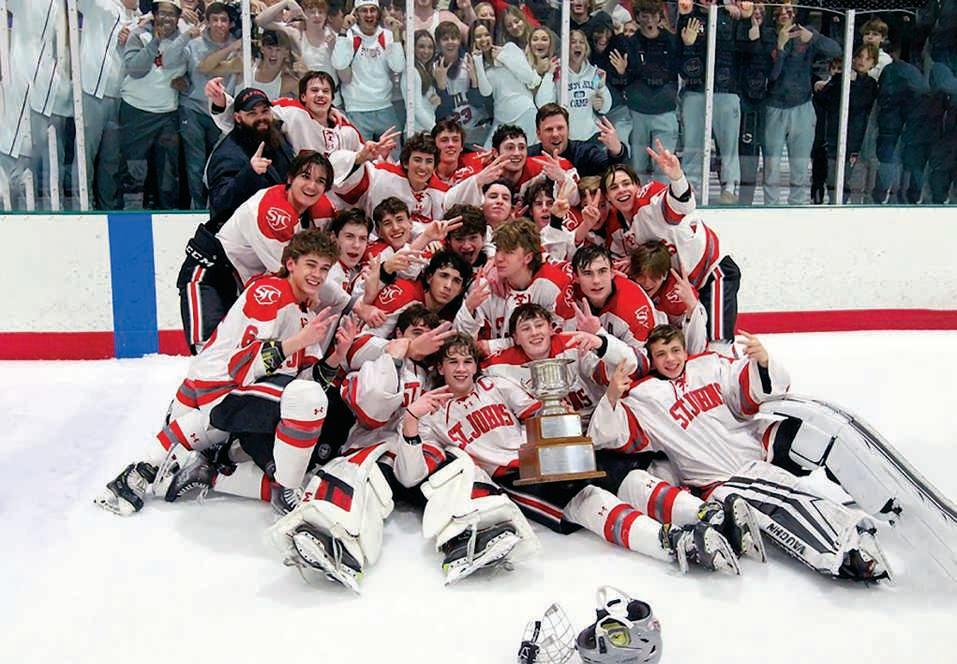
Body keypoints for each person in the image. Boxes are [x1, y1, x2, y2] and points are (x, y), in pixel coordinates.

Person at [405, 333, 745, 574]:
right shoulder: (430, 413)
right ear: (440, 367)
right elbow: (411, 475)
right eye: (453, 362)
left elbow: (537, 413)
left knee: (624, 474)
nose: (461, 368)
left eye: (467, 361)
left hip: (542, 455)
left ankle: (706, 514)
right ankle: (672, 543)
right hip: (514, 477)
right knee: (589, 499)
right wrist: (410, 420)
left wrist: (559, 419)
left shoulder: (494, 384)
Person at [588, 325, 890, 582]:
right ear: (652, 359)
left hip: (751, 456)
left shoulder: (708, 365)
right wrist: (612, 396)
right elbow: (609, 436)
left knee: (796, 489)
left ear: (685, 350)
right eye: (661, 354)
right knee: (778, 507)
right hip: (718, 480)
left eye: (675, 350)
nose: (671, 359)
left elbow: (749, 393)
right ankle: (839, 555)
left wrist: (762, 361)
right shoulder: (643, 397)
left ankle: (858, 520)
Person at [95, 229, 343, 516]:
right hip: (221, 388)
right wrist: (298, 341)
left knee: (318, 410)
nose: (318, 275)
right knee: (304, 402)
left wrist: (338, 353)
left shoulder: (304, 313)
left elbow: (308, 379)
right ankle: (285, 487)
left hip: (229, 392)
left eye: (324, 268)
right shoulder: (270, 291)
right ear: (291, 264)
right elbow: (240, 366)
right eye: (311, 265)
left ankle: (182, 469)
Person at [177, 151, 334, 353]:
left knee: (241, 353)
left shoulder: (308, 213)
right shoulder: (274, 210)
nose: (312, 186)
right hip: (210, 273)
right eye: (305, 176)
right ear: (290, 178)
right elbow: (288, 272)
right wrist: (342, 301)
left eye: (320, 181)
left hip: (242, 282)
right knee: (208, 350)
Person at [600, 144, 740, 349]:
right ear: (607, 197)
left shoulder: (650, 200)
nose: (621, 190)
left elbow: (682, 205)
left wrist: (677, 177)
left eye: (626, 183)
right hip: (680, 287)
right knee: (690, 348)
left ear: (637, 186)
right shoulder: (615, 228)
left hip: (711, 273)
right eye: (614, 187)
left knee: (718, 346)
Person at [482, 303, 638, 425]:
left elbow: (619, 368)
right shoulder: (499, 365)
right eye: (525, 329)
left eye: (539, 325)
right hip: (553, 430)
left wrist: (599, 338)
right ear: (516, 338)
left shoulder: (573, 343)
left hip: (602, 421)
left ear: (551, 329)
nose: (534, 333)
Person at [762, 1, 840, 205]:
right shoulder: (767, 35)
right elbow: (772, 75)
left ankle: (796, 204)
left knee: (800, 163)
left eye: (788, 9)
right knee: (771, 163)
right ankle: (770, 205)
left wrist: (813, 38)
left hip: (802, 106)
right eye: (780, 9)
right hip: (774, 106)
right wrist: (780, 47)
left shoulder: (806, 33)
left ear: (795, 13)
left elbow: (836, 51)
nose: (784, 13)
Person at [119, 0, 194, 209]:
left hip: (167, 113)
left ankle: (165, 213)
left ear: (178, 17)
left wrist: (185, 83)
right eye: (162, 13)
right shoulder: (138, 35)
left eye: (172, 14)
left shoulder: (185, 39)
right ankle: (127, 212)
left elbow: (191, 75)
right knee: (130, 166)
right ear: (154, 14)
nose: (167, 18)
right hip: (135, 110)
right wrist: (155, 41)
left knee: (167, 171)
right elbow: (135, 70)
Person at [332, 131, 493, 223]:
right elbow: (342, 181)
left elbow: (458, 202)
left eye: (429, 161)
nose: (423, 167)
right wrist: (360, 158)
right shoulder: (380, 175)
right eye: (417, 160)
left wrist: (478, 181)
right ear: (405, 162)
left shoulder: (441, 192)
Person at [455, 217, 571, 340]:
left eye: (509, 252)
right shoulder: (483, 286)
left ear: (528, 257)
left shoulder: (553, 285)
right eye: (498, 250)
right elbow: (462, 341)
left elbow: (562, 340)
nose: (499, 258)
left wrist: (494, 346)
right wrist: (469, 308)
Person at [208, 70, 363, 157]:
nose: (320, 95)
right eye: (314, 90)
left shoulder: (343, 126)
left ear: (332, 97)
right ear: (303, 96)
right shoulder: (292, 114)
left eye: (325, 91)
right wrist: (220, 100)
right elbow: (247, 118)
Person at [676, 0, 742, 203]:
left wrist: (737, 16)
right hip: (695, 89)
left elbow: (744, 50)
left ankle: (730, 185)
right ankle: (691, 184)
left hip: (726, 89)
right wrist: (688, 45)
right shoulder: (688, 15)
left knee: (729, 142)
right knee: (693, 141)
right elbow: (681, 60)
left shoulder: (729, 15)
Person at [555, 244, 656, 370]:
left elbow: (641, 365)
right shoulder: (568, 296)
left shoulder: (635, 306)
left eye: (602, 271)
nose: (596, 280)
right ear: (576, 277)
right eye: (587, 273)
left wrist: (598, 334)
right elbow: (563, 348)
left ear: (612, 272)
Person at [180, 2, 237, 209]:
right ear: (207, 21)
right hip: (193, 108)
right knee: (194, 164)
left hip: (221, 114)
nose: (219, 24)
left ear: (231, 23)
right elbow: (203, 68)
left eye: (224, 20)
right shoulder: (195, 44)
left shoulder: (240, 46)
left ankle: (214, 206)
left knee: (216, 163)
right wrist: (231, 48)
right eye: (215, 19)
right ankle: (197, 209)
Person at [614, 0, 681, 178]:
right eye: (645, 16)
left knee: (664, 167)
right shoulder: (629, 43)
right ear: (637, 17)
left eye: (653, 15)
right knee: (637, 167)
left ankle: (662, 195)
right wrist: (622, 73)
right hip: (638, 111)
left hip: (665, 110)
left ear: (660, 17)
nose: (649, 20)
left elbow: (679, 70)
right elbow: (623, 80)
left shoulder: (672, 41)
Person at [331, 0, 405, 144]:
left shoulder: (387, 35)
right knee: (362, 156)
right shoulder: (349, 36)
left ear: (378, 13)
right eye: (364, 10)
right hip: (356, 109)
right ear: (356, 13)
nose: (369, 14)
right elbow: (339, 64)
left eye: (373, 10)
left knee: (395, 154)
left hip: (385, 106)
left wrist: (396, 33)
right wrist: (343, 30)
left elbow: (398, 66)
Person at [628, 239, 707, 354]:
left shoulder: (677, 294)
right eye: (641, 276)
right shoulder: (628, 280)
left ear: (665, 274)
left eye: (654, 276)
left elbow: (696, 349)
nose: (646, 283)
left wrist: (691, 307)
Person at [471, 18, 541, 145]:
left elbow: (528, 77)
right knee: (488, 152)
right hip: (501, 117)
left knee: (525, 152)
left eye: (486, 34)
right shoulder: (480, 63)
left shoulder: (509, 48)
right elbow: (486, 92)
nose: (483, 39)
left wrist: (502, 57)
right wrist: (478, 61)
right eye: (478, 36)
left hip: (524, 111)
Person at [433, 22, 493, 148]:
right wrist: (441, 88)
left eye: (454, 38)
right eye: (445, 39)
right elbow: (441, 113)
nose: (450, 42)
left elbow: (480, 102)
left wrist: (474, 84)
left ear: (460, 40)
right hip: (451, 134)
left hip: (477, 129)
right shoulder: (433, 67)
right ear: (438, 43)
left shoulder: (470, 59)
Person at [527, 104, 628, 178]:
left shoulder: (585, 153)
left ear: (568, 130)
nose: (555, 134)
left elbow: (612, 173)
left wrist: (617, 151)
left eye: (560, 128)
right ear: (538, 134)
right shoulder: (528, 157)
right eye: (549, 129)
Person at [403, 30, 442, 133]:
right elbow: (415, 108)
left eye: (430, 47)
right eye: (421, 46)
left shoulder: (426, 70)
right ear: (413, 48)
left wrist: (435, 102)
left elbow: (426, 107)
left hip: (425, 129)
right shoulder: (412, 71)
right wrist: (435, 130)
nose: (426, 51)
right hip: (416, 132)